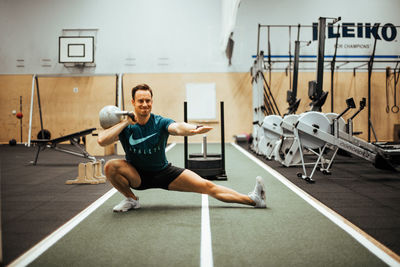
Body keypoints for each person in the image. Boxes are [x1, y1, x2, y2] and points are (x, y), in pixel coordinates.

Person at [97, 84, 266, 212]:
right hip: (137, 175)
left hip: (163, 173)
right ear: (133, 102)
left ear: (152, 102)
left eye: (148, 101)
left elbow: (177, 127)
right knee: (111, 166)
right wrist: (126, 121)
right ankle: (132, 199)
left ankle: (253, 199)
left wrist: (193, 128)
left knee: (207, 186)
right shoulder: (124, 126)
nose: (144, 104)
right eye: (140, 101)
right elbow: (102, 141)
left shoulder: (159, 122)